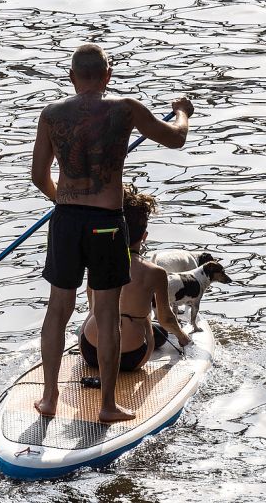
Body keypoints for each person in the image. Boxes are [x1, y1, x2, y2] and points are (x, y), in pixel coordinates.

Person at [30, 43, 194, 423]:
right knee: (106, 313)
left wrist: (65, 201)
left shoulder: (51, 114)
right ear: (108, 75)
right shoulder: (126, 108)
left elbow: (39, 176)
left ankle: (50, 399)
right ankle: (106, 405)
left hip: (66, 219)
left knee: (58, 309)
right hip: (106, 222)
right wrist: (182, 112)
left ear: (72, 78)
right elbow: (175, 138)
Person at [79, 185, 192, 373]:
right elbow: (165, 318)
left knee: (97, 311)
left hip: (91, 351)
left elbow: (92, 309)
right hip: (132, 357)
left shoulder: (97, 262)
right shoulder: (155, 272)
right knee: (152, 323)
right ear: (144, 237)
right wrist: (183, 338)